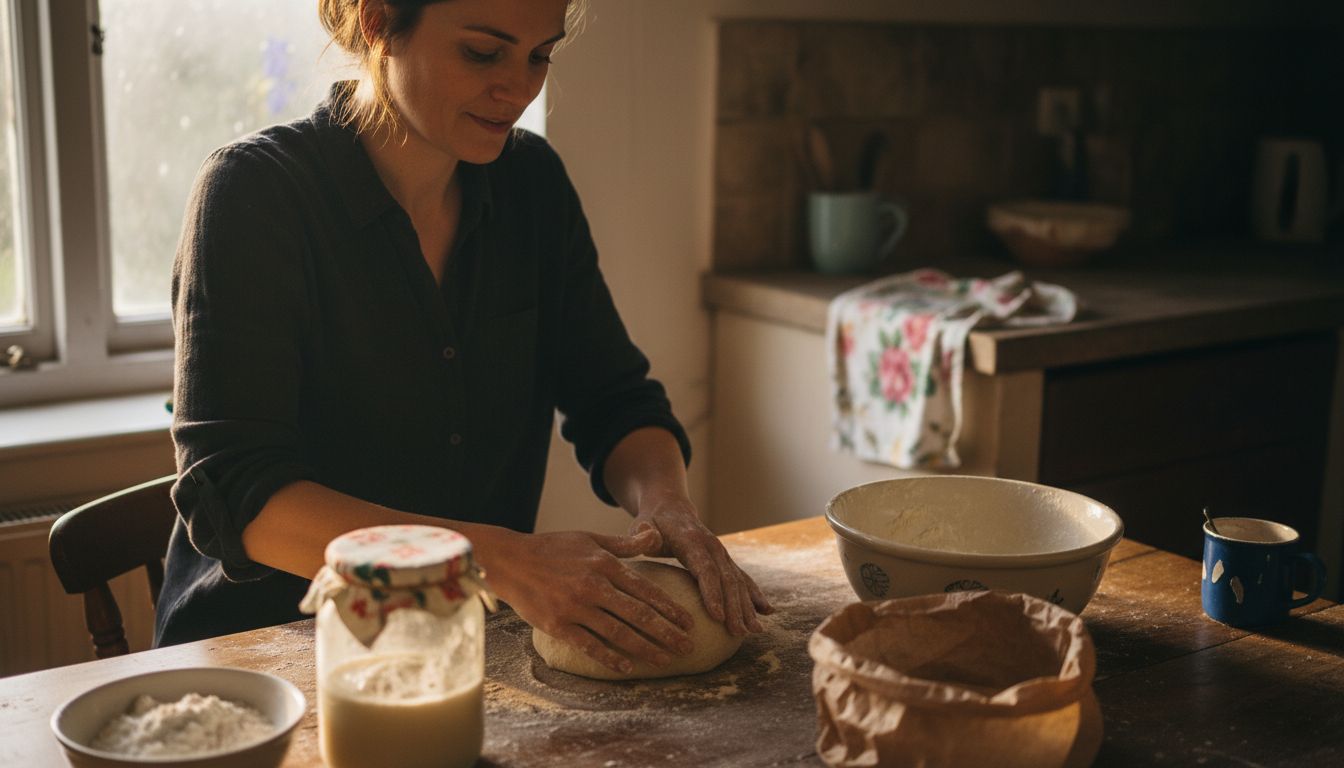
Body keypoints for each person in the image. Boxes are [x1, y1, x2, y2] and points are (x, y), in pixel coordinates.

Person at [156, 0, 771, 676]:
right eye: (483, 52)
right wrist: (493, 561)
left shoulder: (531, 186)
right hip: (264, 656)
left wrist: (667, 505)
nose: (520, 88)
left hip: (458, 647)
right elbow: (240, 499)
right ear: (378, 21)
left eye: (541, 55)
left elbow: (615, 399)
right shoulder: (254, 195)